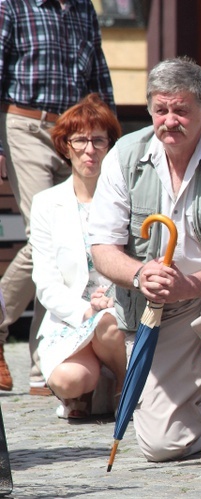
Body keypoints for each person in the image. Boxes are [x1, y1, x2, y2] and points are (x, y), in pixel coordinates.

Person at [89, 57, 201, 465]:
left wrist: (191, 284)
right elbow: (102, 248)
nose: (170, 121)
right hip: (157, 303)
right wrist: (138, 274)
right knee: (161, 447)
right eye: (160, 110)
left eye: (181, 110)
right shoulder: (124, 156)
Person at [0, 0, 115, 396]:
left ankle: (40, 361)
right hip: (27, 125)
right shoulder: (12, 5)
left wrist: (107, 141)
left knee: (62, 236)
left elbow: (99, 75)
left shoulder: (84, 8)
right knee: (42, 233)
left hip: (77, 132)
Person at [30, 93, 124, 419]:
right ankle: (90, 388)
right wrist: (86, 310)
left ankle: (127, 387)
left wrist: (112, 301)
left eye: (99, 140)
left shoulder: (125, 197)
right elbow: (45, 282)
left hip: (116, 315)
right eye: (80, 140)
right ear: (65, 146)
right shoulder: (46, 203)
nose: (90, 150)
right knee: (70, 380)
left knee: (109, 324)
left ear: (110, 145)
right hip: (71, 318)